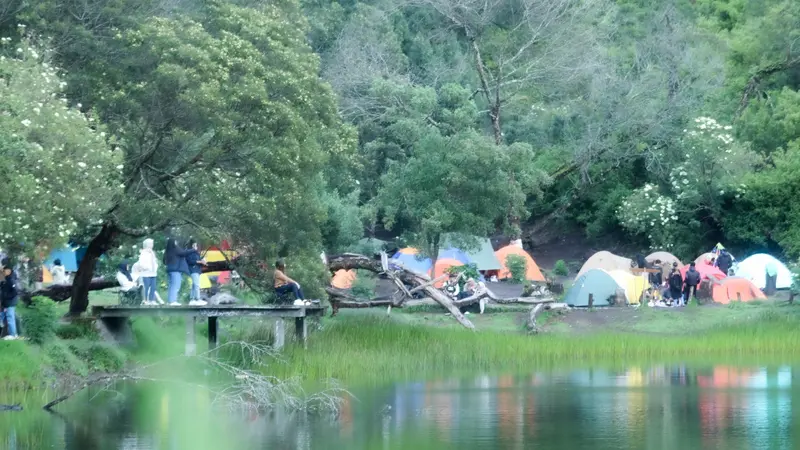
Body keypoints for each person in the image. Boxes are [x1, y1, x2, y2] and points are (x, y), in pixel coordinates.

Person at [164, 238, 192, 306]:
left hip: (170, 270)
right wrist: (192, 250)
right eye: (175, 241)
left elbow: (164, 260)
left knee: (171, 286)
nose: (176, 243)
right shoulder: (175, 248)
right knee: (176, 285)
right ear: (174, 242)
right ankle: (173, 301)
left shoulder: (168, 250)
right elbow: (184, 253)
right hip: (176, 270)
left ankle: (170, 301)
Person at [136, 238, 161, 305]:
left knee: (153, 286)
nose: (152, 245)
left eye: (152, 243)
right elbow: (141, 263)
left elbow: (155, 262)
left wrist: (155, 267)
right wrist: (147, 268)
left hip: (153, 273)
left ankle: (152, 300)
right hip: (146, 273)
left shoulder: (152, 252)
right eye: (150, 243)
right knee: (146, 286)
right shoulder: (143, 252)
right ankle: (145, 300)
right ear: (147, 244)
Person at [185, 240, 207, 306]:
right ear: (191, 246)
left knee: (194, 285)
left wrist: (203, 262)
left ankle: (192, 299)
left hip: (197, 270)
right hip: (193, 270)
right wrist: (200, 262)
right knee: (197, 284)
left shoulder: (197, 253)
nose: (195, 247)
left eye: (196, 245)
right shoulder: (189, 253)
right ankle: (197, 299)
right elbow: (190, 261)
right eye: (193, 245)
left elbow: (199, 261)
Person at [1, 263, 20, 340]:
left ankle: (13, 335)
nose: (3, 272)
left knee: (10, 318)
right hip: (4, 303)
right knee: (3, 317)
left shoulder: (11, 280)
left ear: (8, 271)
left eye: (4, 270)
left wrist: (7, 297)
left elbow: (15, 292)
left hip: (10, 303)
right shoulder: (4, 280)